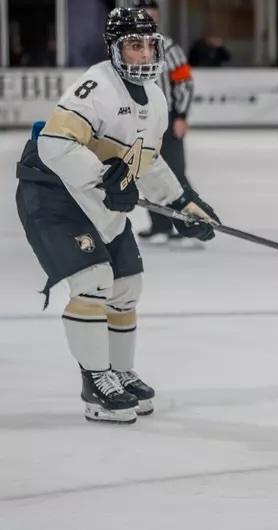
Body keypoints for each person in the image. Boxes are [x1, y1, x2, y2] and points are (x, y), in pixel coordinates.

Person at [14, 8, 219, 424]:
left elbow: (148, 160)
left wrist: (182, 203)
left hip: (94, 195)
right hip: (54, 194)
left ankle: (119, 372)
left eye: (148, 45)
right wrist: (107, 179)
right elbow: (54, 144)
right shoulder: (96, 87)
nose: (143, 54)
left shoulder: (157, 99)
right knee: (92, 282)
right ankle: (95, 382)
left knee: (127, 284)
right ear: (114, 48)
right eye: (133, 45)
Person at [132, 0, 198, 245]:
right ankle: (160, 225)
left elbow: (185, 83)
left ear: (158, 17)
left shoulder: (168, 47)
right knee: (148, 173)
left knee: (176, 172)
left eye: (152, 15)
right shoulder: (127, 47)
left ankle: (189, 225)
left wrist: (181, 115)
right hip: (140, 120)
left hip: (167, 119)